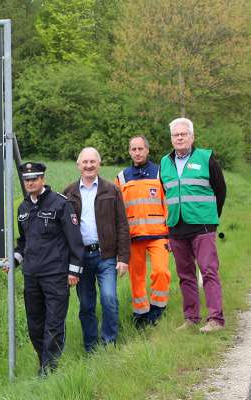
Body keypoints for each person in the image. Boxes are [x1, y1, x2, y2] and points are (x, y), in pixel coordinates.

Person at [6, 162, 84, 376]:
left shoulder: (61, 204)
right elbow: (24, 242)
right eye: (27, 180)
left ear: (43, 179)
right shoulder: (23, 208)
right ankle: (44, 362)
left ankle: (49, 369)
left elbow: (75, 241)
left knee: (54, 323)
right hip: (32, 276)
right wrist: (14, 259)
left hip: (55, 275)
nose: (30, 182)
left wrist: (74, 270)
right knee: (35, 324)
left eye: (34, 178)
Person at [160, 117, 227, 333]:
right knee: (185, 275)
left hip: (203, 226)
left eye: (183, 134)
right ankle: (191, 318)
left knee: (208, 271)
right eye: (175, 135)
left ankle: (215, 319)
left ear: (192, 136)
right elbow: (165, 192)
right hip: (177, 227)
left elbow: (220, 190)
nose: (179, 138)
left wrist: (211, 218)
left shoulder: (206, 158)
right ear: (171, 139)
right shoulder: (164, 162)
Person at [63, 148, 130, 350]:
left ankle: (108, 342)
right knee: (86, 305)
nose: (89, 165)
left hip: (106, 256)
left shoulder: (111, 190)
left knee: (109, 299)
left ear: (99, 164)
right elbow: (63, 230)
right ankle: (91, 347)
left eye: (93, 161)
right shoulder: (69, 192)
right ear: (78, 165)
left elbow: (122, 225)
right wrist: (67, 263)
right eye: (85, 162)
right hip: (80, 258)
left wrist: (123, 258)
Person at [115, 136, 171, 328]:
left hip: (159, 234)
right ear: (129, 152)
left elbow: (168, 205)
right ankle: (141, 314)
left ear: (147, 150)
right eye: (133, 149)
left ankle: (158, 309)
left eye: (140, 148)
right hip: (133, 236)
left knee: (161, 272)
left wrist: (171, 233)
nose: (137, 152)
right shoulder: (122, 177)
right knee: (136, 277)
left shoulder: (160, 173)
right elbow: (117, 209)